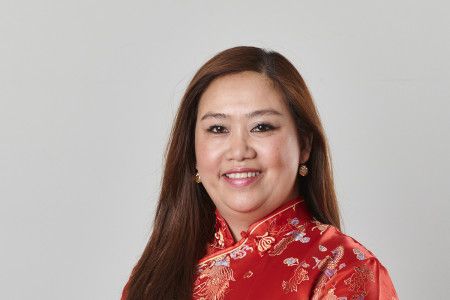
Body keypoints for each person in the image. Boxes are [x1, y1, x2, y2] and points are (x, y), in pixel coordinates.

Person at [121, 46, 398, 300]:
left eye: (261, 127)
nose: (238, 150)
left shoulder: (343, 268)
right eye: (218, 129)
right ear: (192, 153)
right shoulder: (155, 273)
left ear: (303, 145)